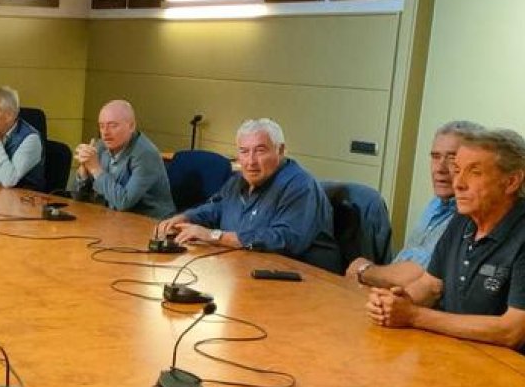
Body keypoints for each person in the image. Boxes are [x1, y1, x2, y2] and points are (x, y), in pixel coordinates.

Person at [366, 127, 525, 352]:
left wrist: (414, 316)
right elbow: (430, 285)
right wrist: (395, 301)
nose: (458, 183)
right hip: (449, 354)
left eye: (475, 172)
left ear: (511, 182)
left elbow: (512, 330)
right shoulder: (462, 219)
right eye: (457, 170)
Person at [157, 118, 342, 273]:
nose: (250, 161)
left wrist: (215, 236)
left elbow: (284, 240)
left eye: (260, 151)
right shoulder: (239, 180)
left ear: (281, 150)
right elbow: (217, 208)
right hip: (247, 270)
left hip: (304, 281)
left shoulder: (300, 185)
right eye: (244, 151)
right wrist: (185, 218)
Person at [347, 121, 482, 288]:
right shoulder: (436, 203)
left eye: (452, 158)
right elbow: (405, 262)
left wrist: (364, 270)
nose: (440, 168)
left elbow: (419, 278)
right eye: (435, 157)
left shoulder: (471, 215)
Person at [71, 100, 175, 219]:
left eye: (113, 125)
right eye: (101, 126)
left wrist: (95, 169)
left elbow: (123, 202)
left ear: (131, 126)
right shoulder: (100, 147)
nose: (105, 132)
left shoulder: (146, 154)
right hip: (112, 219)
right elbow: (76, 198)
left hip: (149, 223)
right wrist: (83, 174)